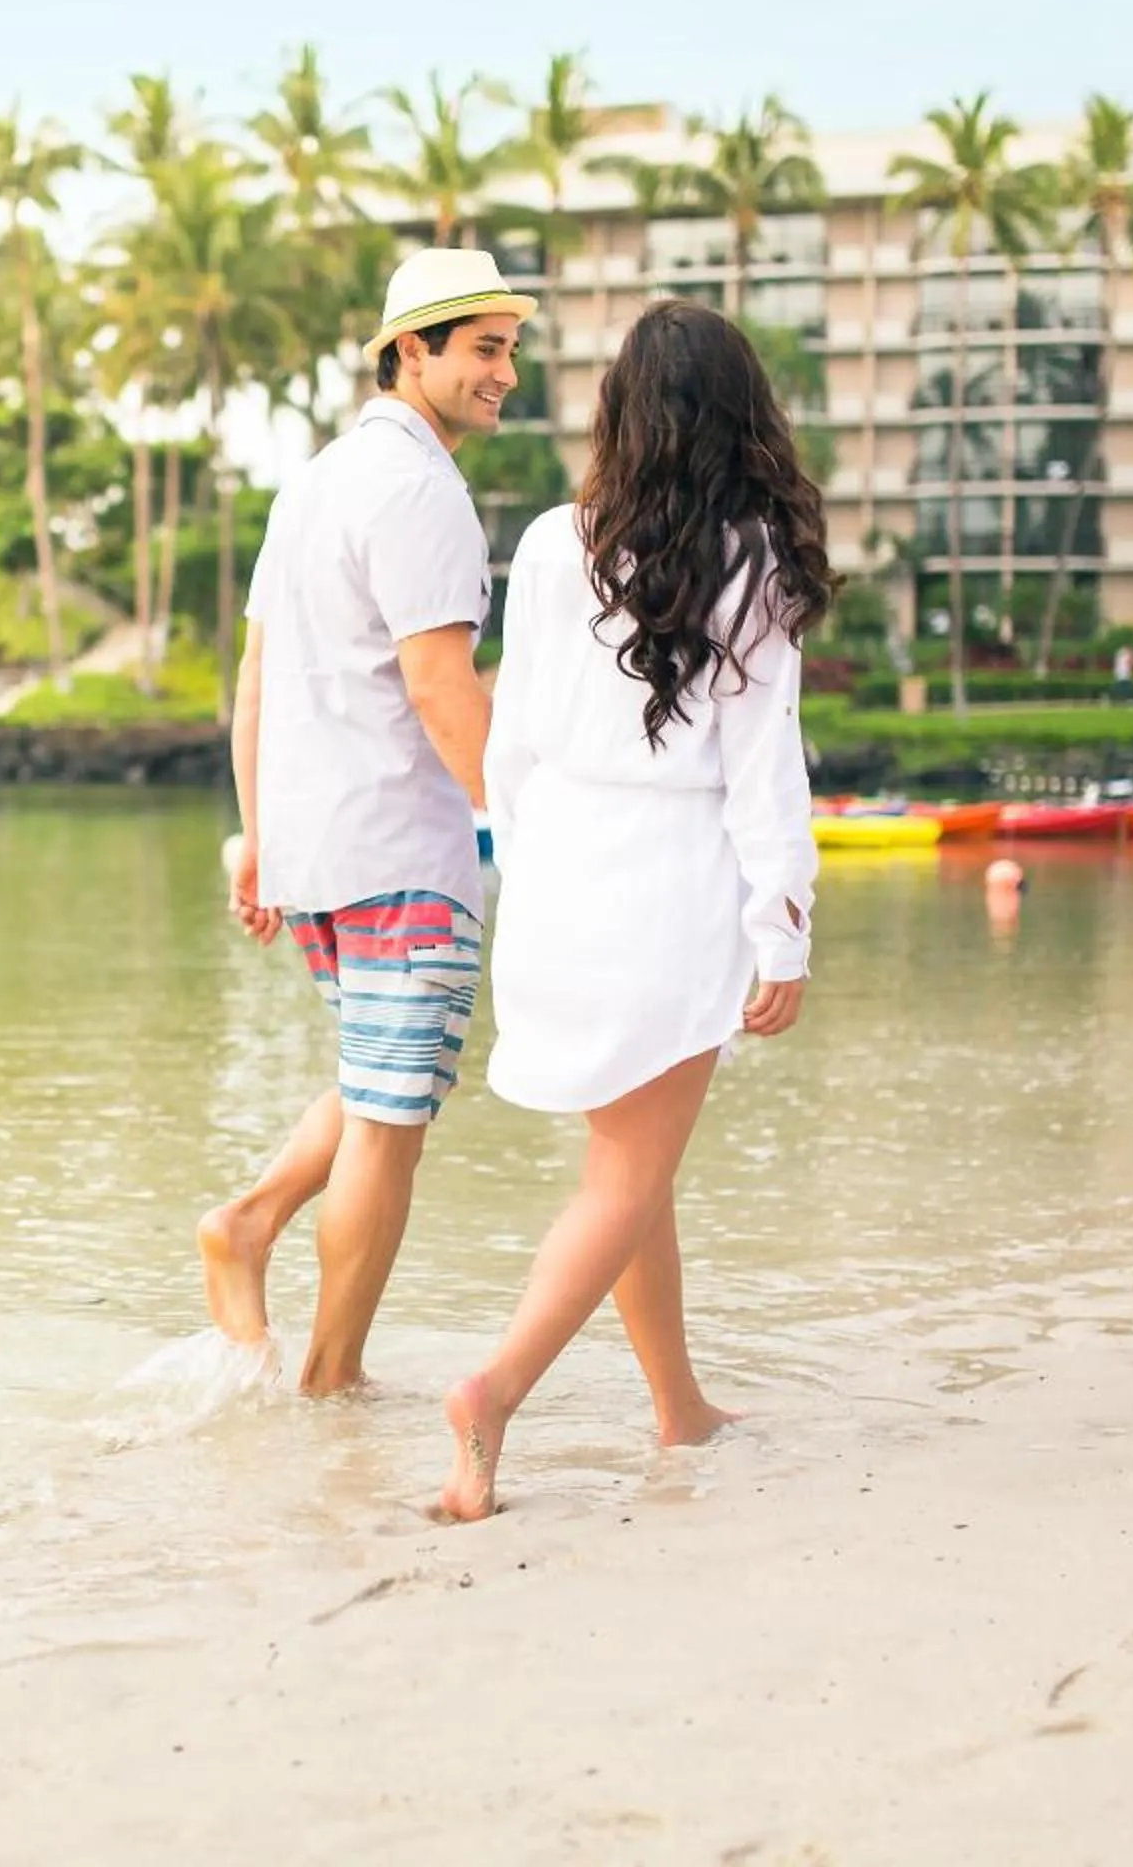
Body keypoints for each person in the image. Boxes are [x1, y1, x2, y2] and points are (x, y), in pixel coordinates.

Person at [437, 299, 835, 1521]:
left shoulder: (559, 539)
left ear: (625, 407)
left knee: (631, 1167)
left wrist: (517, 861)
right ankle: (495, 1390)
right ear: (740, 411)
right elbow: (765, 765)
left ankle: (679, 1407)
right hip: (671, 877)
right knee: (626, 1172)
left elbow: (516, 730)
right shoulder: (753, 550)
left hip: (565, 867)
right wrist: (786, 925)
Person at [196, 247, 525, 1396]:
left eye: (510, 350)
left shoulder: (313, 481)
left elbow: (257, 678)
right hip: (397, 849)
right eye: (484, 349)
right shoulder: (421, 487)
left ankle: (249, 1225)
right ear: (411, 351)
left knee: (378, 1075)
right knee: (394, 1118)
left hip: (319, 852)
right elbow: (442, 686)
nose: (505, 374)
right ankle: (332, 1381)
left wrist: (257, 845)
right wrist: (534, 836)